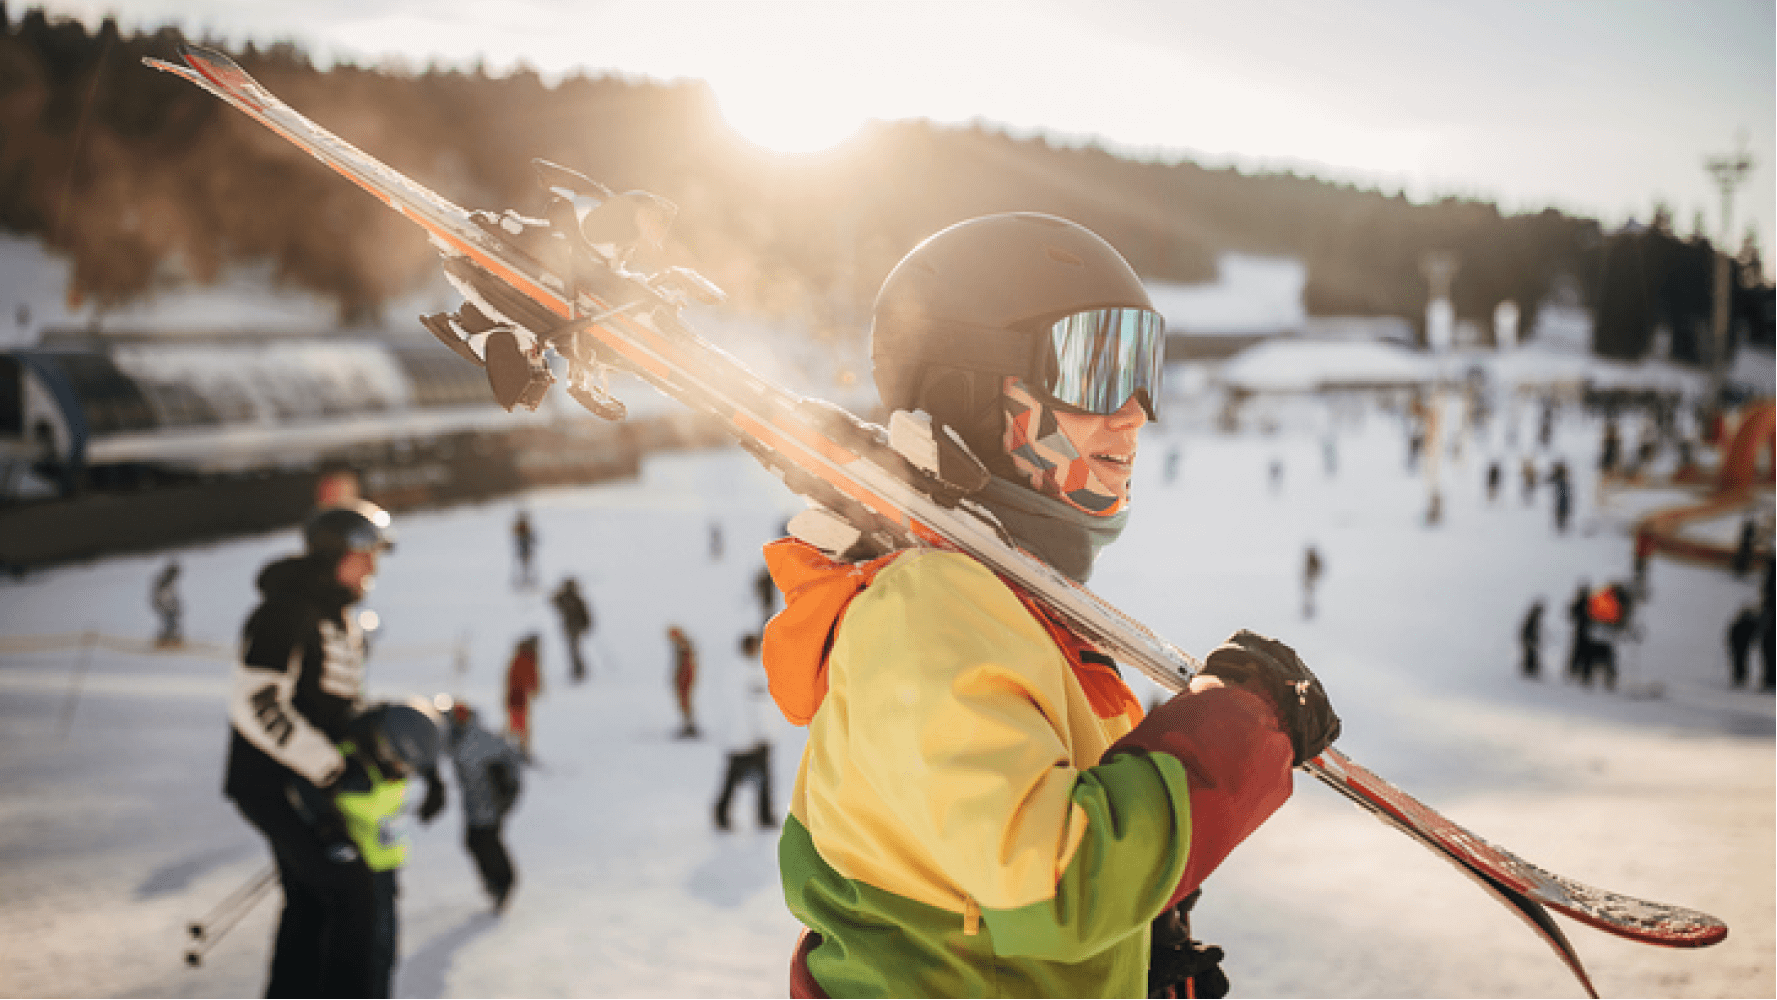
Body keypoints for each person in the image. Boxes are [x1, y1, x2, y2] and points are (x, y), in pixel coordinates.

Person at [760, 214, 1340, 999]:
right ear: (969, 388)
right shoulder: (925, 611)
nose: (1134, 412)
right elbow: (1051, 884)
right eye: (1097, 371)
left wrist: (1132, 952)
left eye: (1143, 370)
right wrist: (1238, 732)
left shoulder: (1015, 614)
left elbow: (1005, 901)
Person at [223, 500, 421, 998]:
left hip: (311, 786)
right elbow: (257, 701)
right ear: (335, 554)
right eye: (366, 555)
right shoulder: (285, 612)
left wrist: (383, 741)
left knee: (312, 901)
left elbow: (331, 706)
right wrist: (332, 768)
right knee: (348, 892)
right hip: (276, 785)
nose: (373, 568)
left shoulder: (337, 619)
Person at [431, 699, 526, 911]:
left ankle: (503, 882)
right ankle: (497, 883)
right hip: (476, 803)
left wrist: (507, 793)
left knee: (483, 841)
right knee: (475, 842)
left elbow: (508, 760)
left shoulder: (477, 739)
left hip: (489, 803)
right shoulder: (459, 736)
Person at [712, 633, 775, 832]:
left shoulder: (741, 671)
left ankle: (727, 813)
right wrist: (761, 734)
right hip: (748, 738)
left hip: (742, 737)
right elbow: (751, 709)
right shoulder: (746, 673)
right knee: (745, 778)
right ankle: (759, 815)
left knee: (739, 778)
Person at [503, 635, 543, 756]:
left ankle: (518, 749)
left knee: (516, 724)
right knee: (519, 726)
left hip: (518, 696)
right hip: (519, 696)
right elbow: (529, 677)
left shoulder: (521, 658)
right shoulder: (526, 659)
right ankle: (519, 750)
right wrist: (535, 688)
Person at [550, 577, 594, 682]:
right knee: (573, 649)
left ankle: (579, 669)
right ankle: (578, 669)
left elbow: (586, 614)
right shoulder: (565, 598)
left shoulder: (576, 599)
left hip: (575, 628)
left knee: (574, 649)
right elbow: (552, 600)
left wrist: (587, 625)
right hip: (569, 627)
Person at [667, 625, 699, 738]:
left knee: (686, 703)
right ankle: (687, 725)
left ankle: (690, 726)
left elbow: (687, 665)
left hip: (685, 677)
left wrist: (682, 678)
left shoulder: (684, 645)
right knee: (683, 703)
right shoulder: (680, 646)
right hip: (682, 677)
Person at [151, 558, 183, 647]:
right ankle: (164, 640)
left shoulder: (169, 580)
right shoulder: (164, 580)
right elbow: (161, 595)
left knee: (172, 622)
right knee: (170, 622)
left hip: (168, 604)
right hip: (163, 604)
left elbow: (172, 594)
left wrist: (176, 604)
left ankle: (170, 638)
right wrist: (168, 605)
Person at [1728, 604, 1761, 688]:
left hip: (1739, 643)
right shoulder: (1750, 622)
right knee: (1740, 660)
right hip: (1739, 643)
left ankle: (1739, 677)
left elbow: (1731, 633)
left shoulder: (1743, 621)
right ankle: (1740, 677)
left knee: (1739, 660)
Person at [1520, 599, 1544, 679]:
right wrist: (1529, 639)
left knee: (1531, 654)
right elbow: (1527, 629)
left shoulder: (1534, 617)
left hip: (1530, 639)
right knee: (1530, 655)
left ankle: (1531, 669)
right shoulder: (1532, 617)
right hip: (1529, 639)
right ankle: (1529, 670)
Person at [511, 510, 537, 587]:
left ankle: (526, 578)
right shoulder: (520, 528)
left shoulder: (526, 528)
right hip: (522, 549)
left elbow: (532, 538)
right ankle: (523, 579)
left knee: (527, 565)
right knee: (524, 565)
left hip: (526, 549)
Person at [1302, 544, 1324, 619]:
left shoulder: (1314, 561)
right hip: (1309, 580)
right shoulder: (1309, 560)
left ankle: (1309, 611)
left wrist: (1314, 577)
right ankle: (1308, 610)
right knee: (1308, 596)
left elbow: (1318, 570)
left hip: (1312, 580)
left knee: (1310, 596)